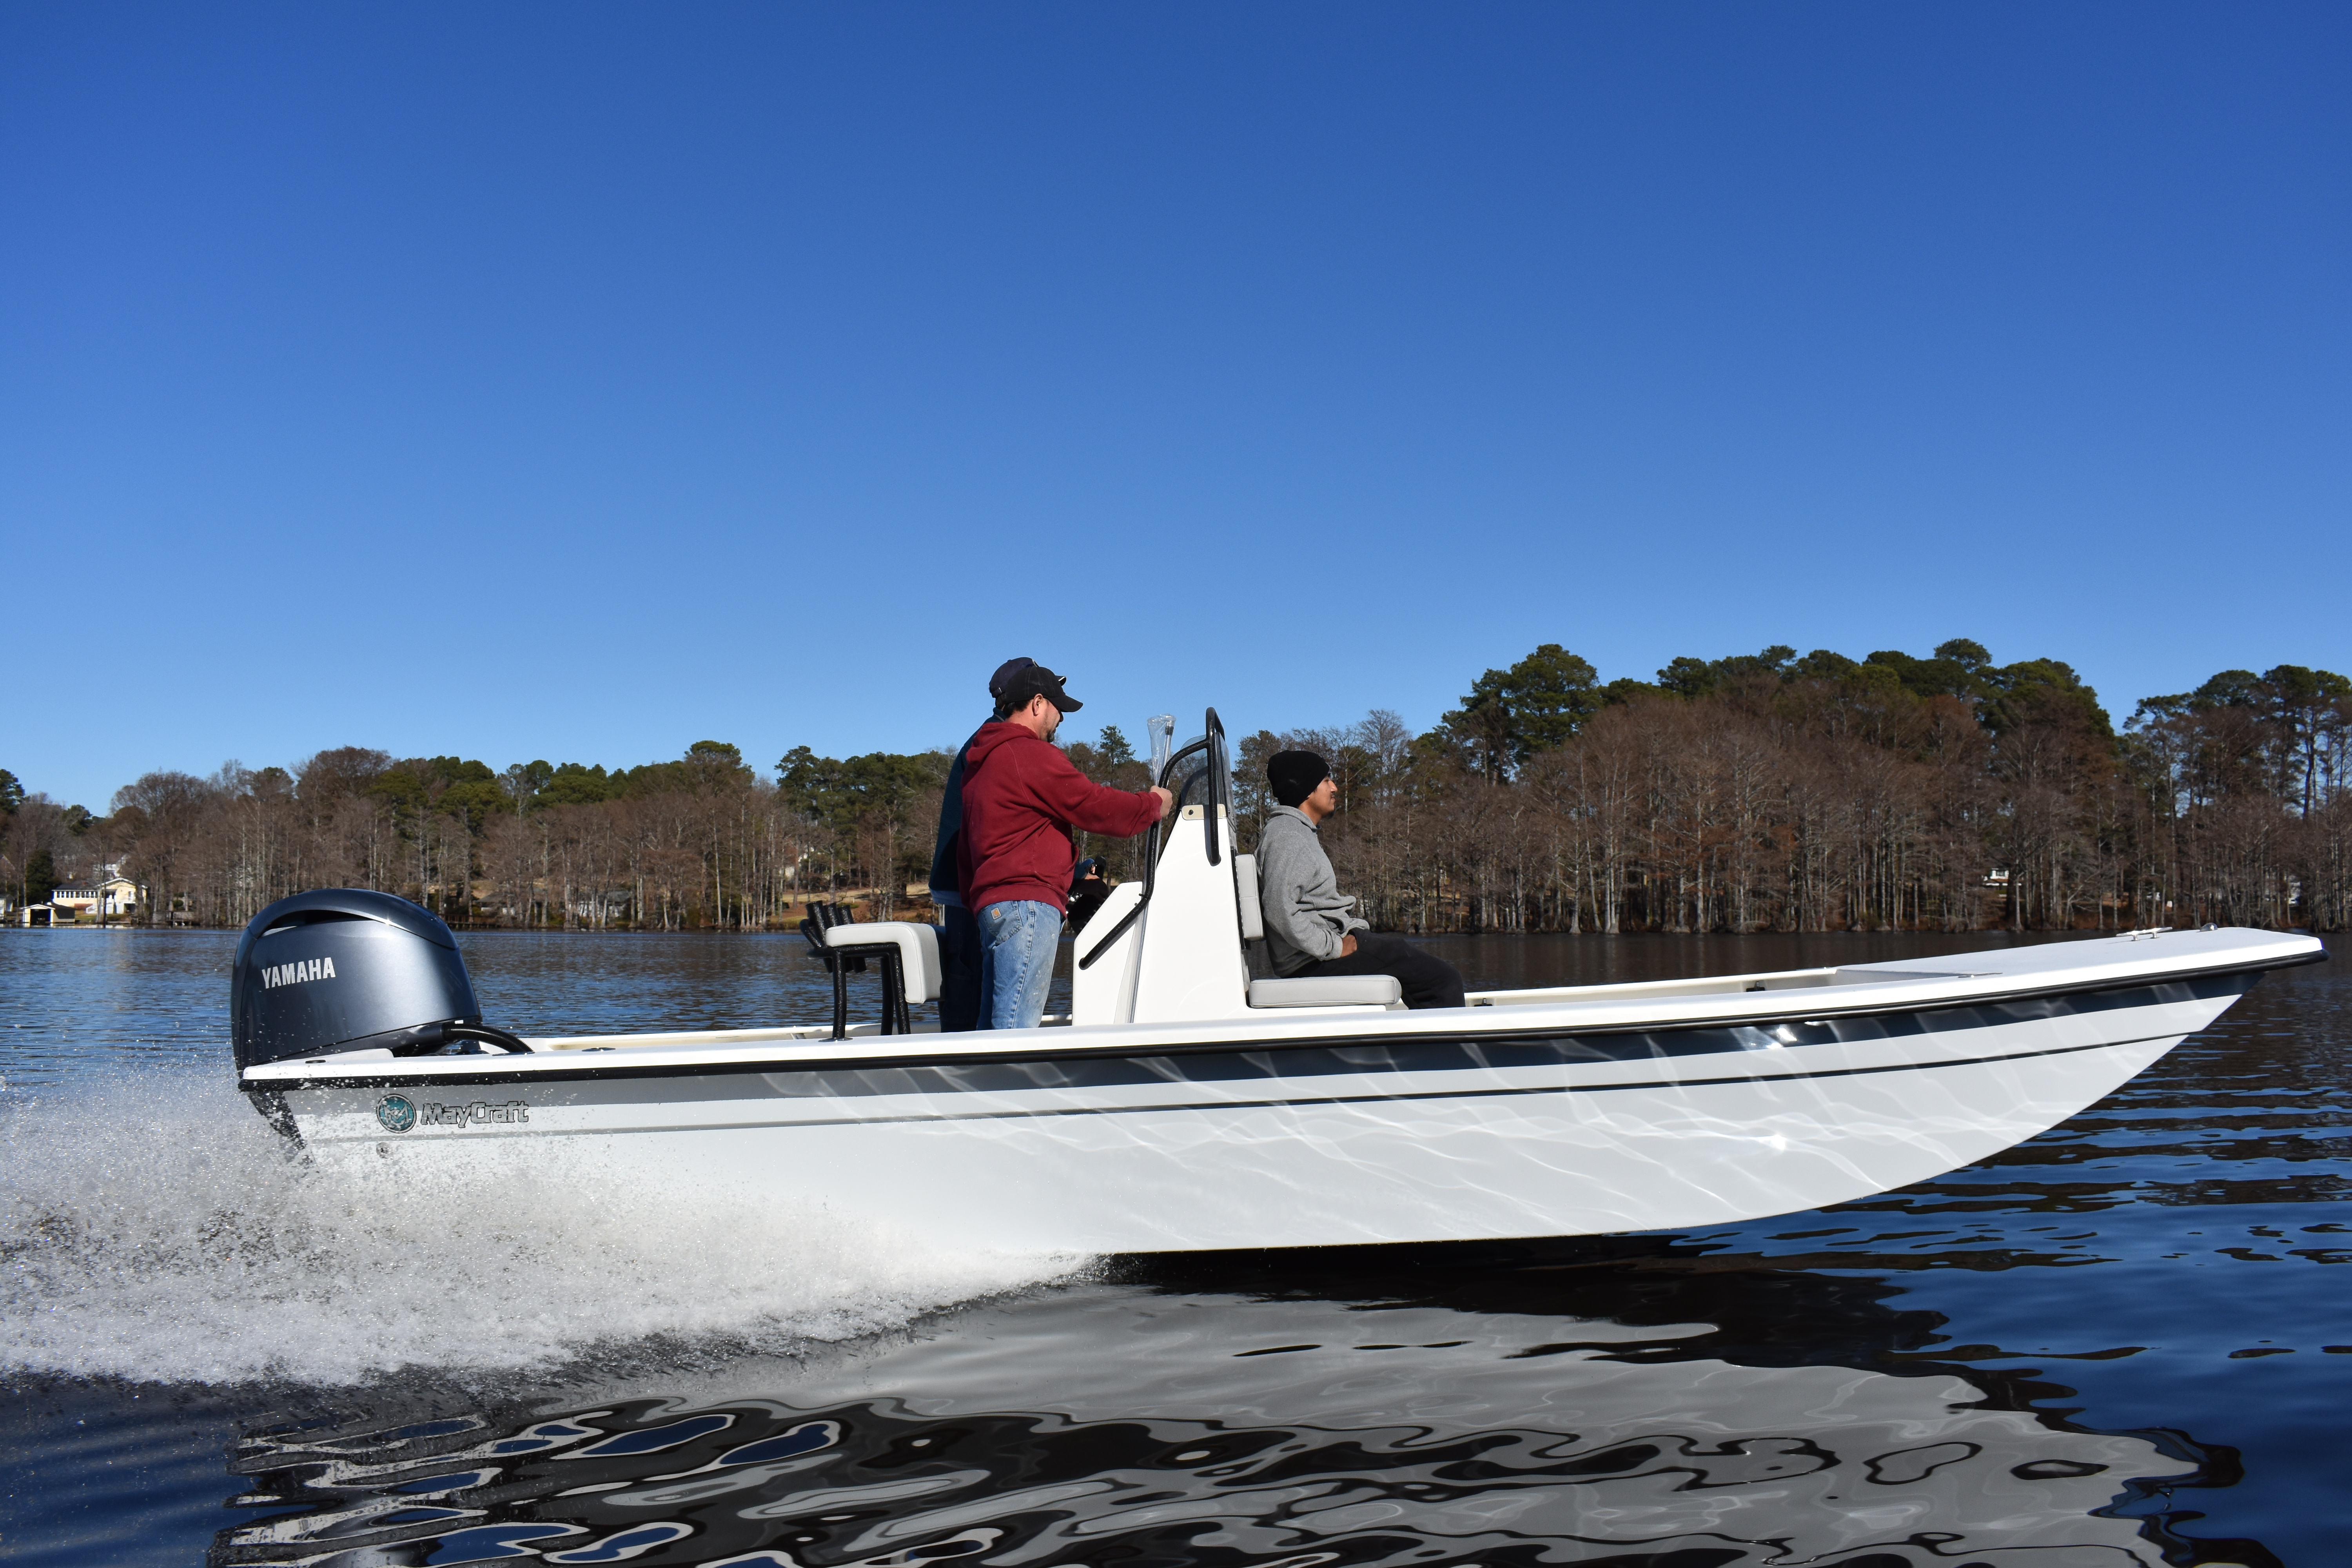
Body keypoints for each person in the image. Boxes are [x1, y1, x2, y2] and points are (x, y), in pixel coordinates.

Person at [958, 664, 1173, 1029]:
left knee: (991, 1030)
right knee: (1014, 1032)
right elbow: (1092, 805)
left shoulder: (982, 763)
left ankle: (978, 1085)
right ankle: (1004, 1087)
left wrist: (1068, 874)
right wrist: (1153, 805)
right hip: (1027, 908)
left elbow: (970, 851)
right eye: (1058, 708)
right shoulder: (1027, 754)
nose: (1061, 718)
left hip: (992, 909)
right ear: (1038, 704)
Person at [1257, 749, 1467, 1009]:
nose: (1334, 787)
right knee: (1443, 982)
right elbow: (1279, 907)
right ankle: (1447, 1048)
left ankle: (1422, 1042)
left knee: (1415, 967)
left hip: (1322, 952)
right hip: (1314, 962)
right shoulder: (1288, 836)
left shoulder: (1297, 832)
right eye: (1326, 781)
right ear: (1306, 790)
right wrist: (1333, 946)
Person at [927, 657, 1039, 1031]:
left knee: (967, 981)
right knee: (970, 983)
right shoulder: (999, 747)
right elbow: (1002, 827)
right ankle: (963, 1068)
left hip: (963, 881)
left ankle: (960, 1059)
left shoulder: (985, 740)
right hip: (971, 884)